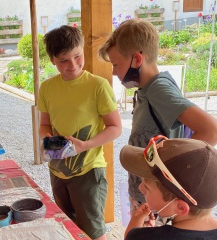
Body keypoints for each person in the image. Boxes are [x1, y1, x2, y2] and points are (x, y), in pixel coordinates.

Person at [98, 19, 217, 217]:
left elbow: (211, 130)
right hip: (147, 194)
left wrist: (170, 175)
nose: (114, 72)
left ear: (137, 60)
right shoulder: (147, 89)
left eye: (116, 64)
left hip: (157, 202)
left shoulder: (158, 89)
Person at [37, 25, 122, 240]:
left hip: (89, 171)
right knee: (67, 227)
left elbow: (115, 128)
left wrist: (85, 145)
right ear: (52, 60)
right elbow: (44, 124)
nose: (72, 65)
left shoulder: (97, 85)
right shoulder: (47, 88)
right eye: (64, 60)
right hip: (57, 168)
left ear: (83, 50)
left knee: (93, 231)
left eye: (77, 56)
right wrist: (46, 138)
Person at [119, 135, 217, 239]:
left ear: (180, 207)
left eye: (147, 188)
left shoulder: (144, 236)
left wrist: (137, 220)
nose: (140, 188)